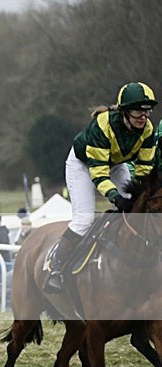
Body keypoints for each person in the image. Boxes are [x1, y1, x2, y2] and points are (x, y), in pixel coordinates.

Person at [45, 82, 158, 292]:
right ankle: (56, 268)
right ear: (124, 111)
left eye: (147, 111)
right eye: (137, 111)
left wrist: (138, 195)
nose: (143, 117)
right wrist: (115, 197)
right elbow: (98, 173)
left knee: (133, 210)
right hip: (83, 164)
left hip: (116, 164)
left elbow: (143, 171)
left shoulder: (148, 130)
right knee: (84, 219)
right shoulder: (103, 124)